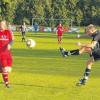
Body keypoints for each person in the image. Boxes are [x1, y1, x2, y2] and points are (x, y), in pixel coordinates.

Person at [0, 20, 14, 88]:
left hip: (8, 54)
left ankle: (3, 72)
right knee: (4, 68)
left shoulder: (8, 32)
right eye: (0, 24)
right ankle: (7, 84)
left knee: (8, 69)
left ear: (5, 25)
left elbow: (11, 40)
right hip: (1, 54)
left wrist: (9, 44)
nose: (1, 25)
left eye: (2, 24)